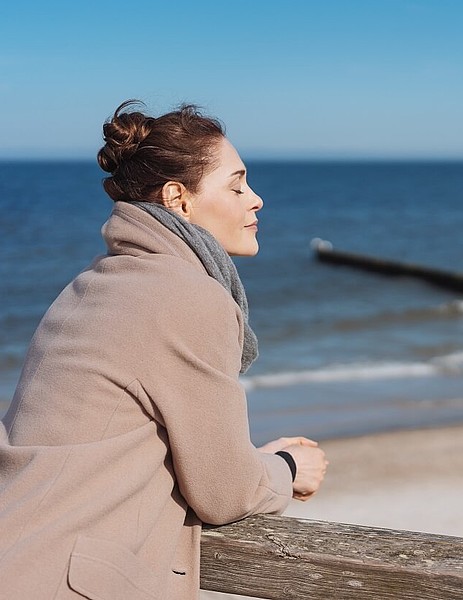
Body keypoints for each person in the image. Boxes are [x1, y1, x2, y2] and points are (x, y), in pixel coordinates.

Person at [0, 100, 328, 599]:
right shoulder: (186, 296)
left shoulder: (94, 285)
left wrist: (247, 460)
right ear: (179, 198)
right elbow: (225, 492)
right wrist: (286, 469)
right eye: (236, 185)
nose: (255, 199)